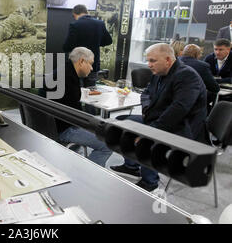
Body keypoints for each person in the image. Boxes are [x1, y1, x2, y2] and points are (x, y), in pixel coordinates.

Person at [110, 43, 207, 192]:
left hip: (182, 128)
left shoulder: (187, 76)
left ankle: (150, 182)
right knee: (122, 122)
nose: (149, 65)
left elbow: (179, 109)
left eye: (153, 61)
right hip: (158, 119)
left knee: (147, 139)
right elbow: (146, 93)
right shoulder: (159, 73)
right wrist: (147, 110)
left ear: (168, 60)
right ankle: (131, 166)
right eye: (148, 60)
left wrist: (150, 130)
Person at [44, 47, 112, 167]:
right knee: (107, 144)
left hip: (48, 125)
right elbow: (75, 114)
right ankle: (87, 175)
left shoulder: (62, 71)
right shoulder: (68, 78)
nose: (91, 68)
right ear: (81, 61)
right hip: (62, 128)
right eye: (90, 64)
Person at [63, 4, 113, 87]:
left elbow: (67, 47)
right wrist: (96, 43)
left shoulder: (75, 25)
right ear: (87, 12)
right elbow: (108, 41)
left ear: (75, 14)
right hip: (92, 65)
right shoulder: (100, 24)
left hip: (77, 66)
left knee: (76, 92)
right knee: (90, 93)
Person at [180, 44, 220, 109]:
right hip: (193, 102)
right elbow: (214, 88)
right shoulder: (202, 66)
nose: (201, 56)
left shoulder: (175, 61)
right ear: (197, 54)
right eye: (200, 53)